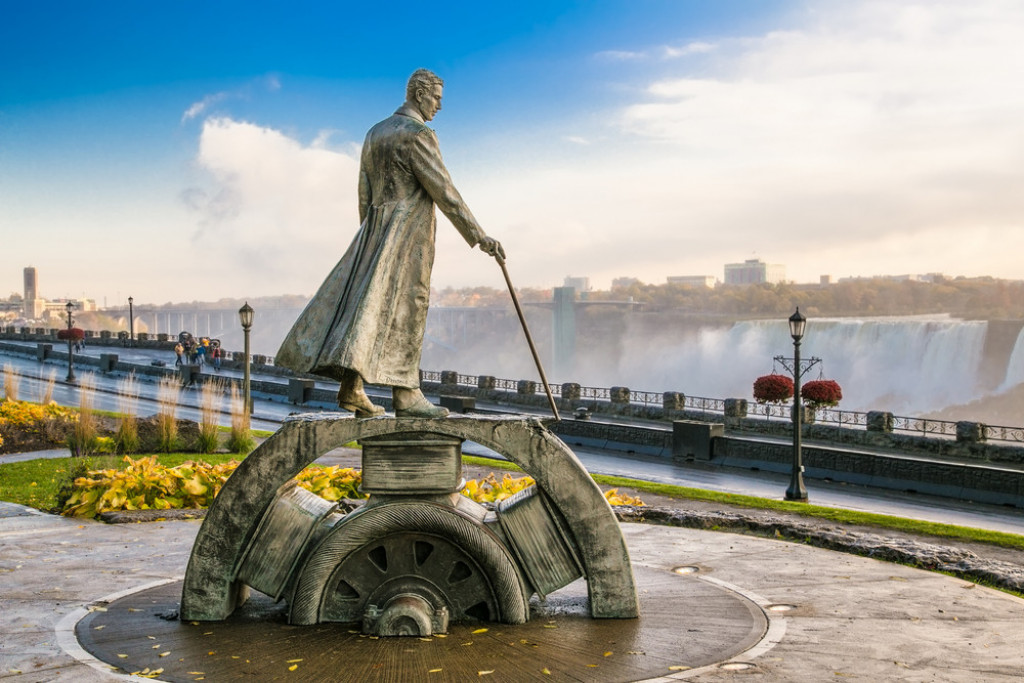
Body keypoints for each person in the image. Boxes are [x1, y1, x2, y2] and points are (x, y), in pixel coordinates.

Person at [276, 69, 504, 418]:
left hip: (374, 231)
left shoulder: (375, 132)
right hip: (408, 237)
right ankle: (406, 394)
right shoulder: (418, 135)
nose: (440, 106)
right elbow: (444, 191)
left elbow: (364, 192)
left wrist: (371, 237)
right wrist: (479, 235)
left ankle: (353, 387)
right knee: (408, 308)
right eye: (436, 98)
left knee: (368, 307)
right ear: (419, 93)